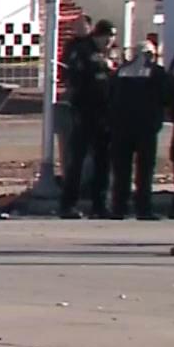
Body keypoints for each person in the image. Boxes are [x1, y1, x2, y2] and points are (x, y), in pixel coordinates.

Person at [59, 19, 117, 218]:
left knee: (103, 161)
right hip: (85, 112)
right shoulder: (83, 51)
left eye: (111, 37)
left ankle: (100, 204)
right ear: (97, 35)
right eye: (105, 37)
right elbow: (76, 79)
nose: (108, 41)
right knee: (77, 160)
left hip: (105, 114)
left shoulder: (109, 54)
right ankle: (68, 204)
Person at [106, 41, 169, 220]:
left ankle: (119, 208)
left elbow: (109, 96)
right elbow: (167, 96)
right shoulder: (157, 73)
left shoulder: (120, 72)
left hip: (121, 128)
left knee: (121, 170)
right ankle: (143, 209)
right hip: (146, 128)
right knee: (145, 170)